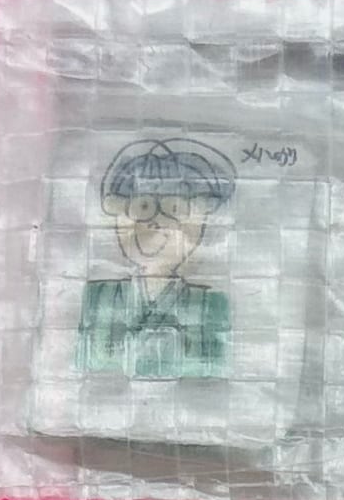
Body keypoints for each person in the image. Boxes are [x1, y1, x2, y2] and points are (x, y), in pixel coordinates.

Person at [78, 135, 236, 378]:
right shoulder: (99, 300)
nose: (157, 223)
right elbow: (86, 366)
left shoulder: (211, 306)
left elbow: (216, 374)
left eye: (175, 209)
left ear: (200, 221)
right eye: (143, 207)